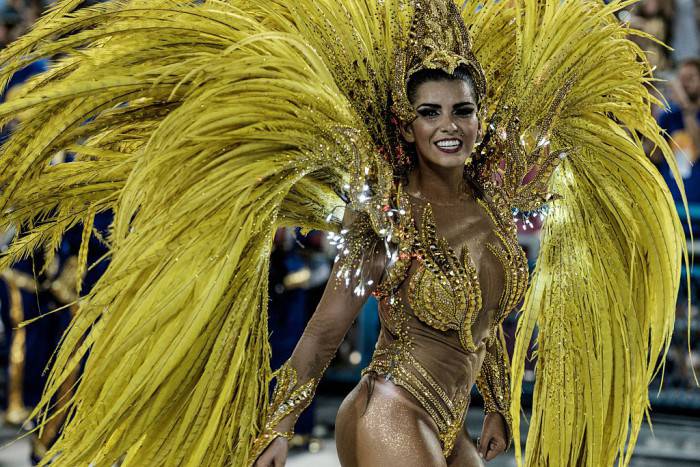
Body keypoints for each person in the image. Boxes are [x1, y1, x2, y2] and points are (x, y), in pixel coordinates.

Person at [0, 0, 685, 466]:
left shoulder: (497, 209)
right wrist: (279, 424)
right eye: (430, 111)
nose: (450, 124)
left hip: (452, 418)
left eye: (462, 109)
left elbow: (485, 325)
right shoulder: (385, 220)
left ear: (481, 117)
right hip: (389, 411)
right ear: (407, 124)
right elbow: (326, 332)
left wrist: (501, 403)